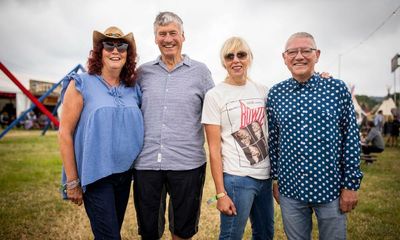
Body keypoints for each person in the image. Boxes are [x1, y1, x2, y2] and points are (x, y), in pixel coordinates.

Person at [267, 32, 363, 240]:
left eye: (306, 51)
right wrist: (275, 180)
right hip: (290, 188)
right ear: (284, 58)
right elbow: (273, 141)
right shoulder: (276, 94)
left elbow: (351, 140)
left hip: (330, 189)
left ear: (317, 55)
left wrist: (351, 185)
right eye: (292, 52)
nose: (299, 56)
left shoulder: (336, 89)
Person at [132, 12, 214, 240]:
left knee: (183, 231)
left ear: (183, 36)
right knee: (149, 231)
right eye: (162, 34)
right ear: (155, 38)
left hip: (188, 164)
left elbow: (217, 108)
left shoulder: (201, 72)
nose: (168, 39)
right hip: (146, 164)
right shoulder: (142, 73)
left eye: (172, 33)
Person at [58, 26, 144, 239]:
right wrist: (72, 181)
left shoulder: (133, 88)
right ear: (100, 51)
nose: (115, 51)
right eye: (109, 45)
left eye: (121, 46)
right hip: (96, 176)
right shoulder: (81, 83)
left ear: (128, 53)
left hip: (125, 175)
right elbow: (65, 132)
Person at [202, 37, 273, 240]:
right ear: (223, 61)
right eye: (229, 56)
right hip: (236, 178)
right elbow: (214, 149)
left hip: (265, 177)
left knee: (265, 234)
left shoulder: (263, 91)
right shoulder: (215, 95)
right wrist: (220, 193)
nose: (236, 60)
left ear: (249, 58)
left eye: (241, 54)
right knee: (232, 236)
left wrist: (317, 77)